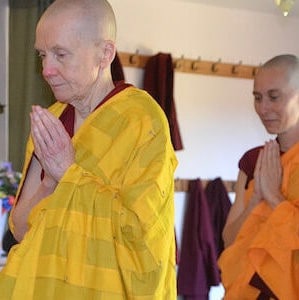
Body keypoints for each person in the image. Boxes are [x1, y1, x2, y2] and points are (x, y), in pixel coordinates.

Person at [0, 0, 178, 299]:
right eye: (42, 55)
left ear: (105, 53)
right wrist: (51, 181)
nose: (46, 69)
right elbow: (19, 228)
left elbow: (142, 235)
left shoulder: (140, 119)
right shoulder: (53, 121)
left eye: (60, 54)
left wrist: (70, 173)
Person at [219, 54, 299, 299]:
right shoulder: (255, 161)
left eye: (274, 97)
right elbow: (230, 241)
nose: (263, 108)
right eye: (257, 98)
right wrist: (256, 199)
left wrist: (274, 198)